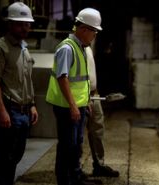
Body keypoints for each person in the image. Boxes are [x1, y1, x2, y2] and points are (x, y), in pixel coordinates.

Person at [45, 7, 103, 185]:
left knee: (75, 144)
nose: (94, 35)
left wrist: (86, 103)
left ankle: (75, 177)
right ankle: (65, 181)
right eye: (94, 31)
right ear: (84, 29)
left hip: (78, 106)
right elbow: (63, 78)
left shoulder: (80, 47)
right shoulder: (67, 49)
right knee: (67, 147)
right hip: (66, 108)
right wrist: (73, 106)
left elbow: (80, 81)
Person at [0, 2, 38, 185]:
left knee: (15, 156)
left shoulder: (23, 48)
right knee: (3, 157)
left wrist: (32, 105)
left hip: (23, 111)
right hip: (9, 108)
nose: (25, 28)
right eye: (21, 24)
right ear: (10, 24)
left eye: (27, 24)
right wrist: (1, 110)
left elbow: (26, 79)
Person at [86, 46, 119, 177]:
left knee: (97, 130)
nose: (95, 34)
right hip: (82, 97)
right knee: (77, 136)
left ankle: (99, 164)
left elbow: (90, 73)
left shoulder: (87, 47)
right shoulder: (72, 47)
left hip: (94, 95)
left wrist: (95, 91)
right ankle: (74, 169)